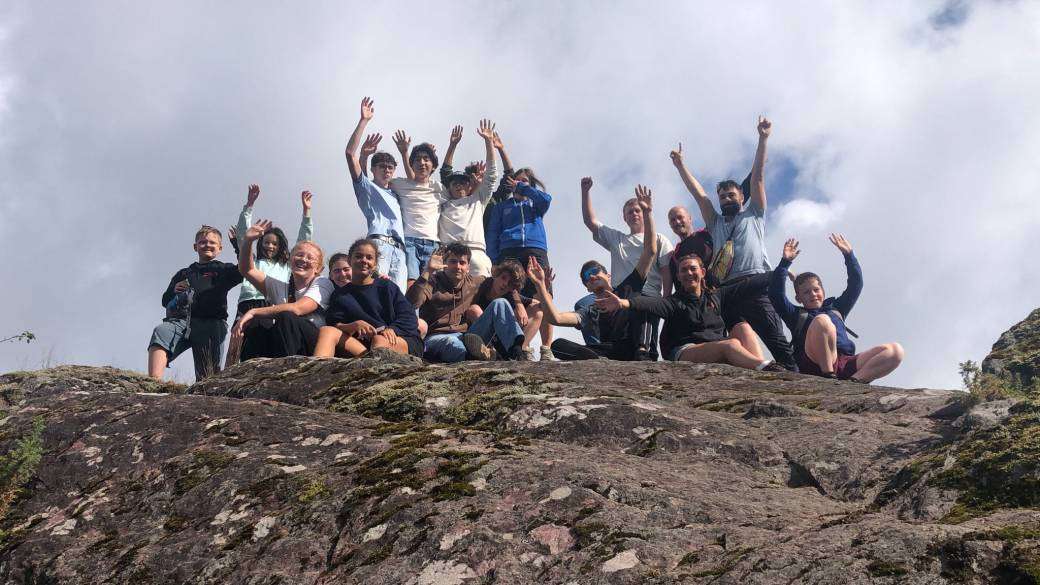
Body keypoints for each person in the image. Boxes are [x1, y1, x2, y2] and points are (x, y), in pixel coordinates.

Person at [671, 117, 797, 371]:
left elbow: (758, 178)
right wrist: (680, 166)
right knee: (739, 335)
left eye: (731, 194)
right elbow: (698, 194)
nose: (726, 198)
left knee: (776, 339)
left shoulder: (754, 214)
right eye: (722, 196)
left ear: (741, 197)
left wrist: (763, 139)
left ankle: (796, 377)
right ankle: (761, 373)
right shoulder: (715, 223)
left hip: (756, 284)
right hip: (727, 290)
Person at [528, 185, 660, 361]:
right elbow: (556, 318)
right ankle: (597, 360)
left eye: (594, 271)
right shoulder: (591, 310)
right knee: (558, 346)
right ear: (588, 289)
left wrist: (648, 213)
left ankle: (641, 355)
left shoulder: (628, 288)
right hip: (611, 351)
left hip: (636, 348)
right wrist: (540, 286)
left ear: (609, 276)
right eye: (586, 278)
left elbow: (650, 251)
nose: (590, 276)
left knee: (643, 303)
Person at [597, 253, 785, 371]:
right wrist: (623, 302)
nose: (688, 273)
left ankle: (760, 368)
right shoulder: (675, 302)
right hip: (685, 351)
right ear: (678, 276)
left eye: (693, 269)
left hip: (715, 346)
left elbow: (748, 285)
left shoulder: (716, 295)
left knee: (742, 327)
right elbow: (651, 304)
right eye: (683, 270)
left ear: (702, 271)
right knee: (731, 344)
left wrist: (783, 266)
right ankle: (766, 367)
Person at [769, 235, 904, 383]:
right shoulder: (795, 314)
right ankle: (829, 377)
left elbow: (855, 284)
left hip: (844, 361)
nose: (813, 294)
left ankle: (854, 382)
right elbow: (776, 294)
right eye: (806, 292)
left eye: (816, 289)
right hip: (814, 363)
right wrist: (785, 262)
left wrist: (848, 255)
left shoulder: (836, 308)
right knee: (822, 321)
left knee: (895, 351)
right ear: (798, 298)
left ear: (823, 291)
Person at [225, 184, 314, 367]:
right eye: (266, 242)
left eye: (275, 244)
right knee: (240, 341)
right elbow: (243, 236)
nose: (270, 247)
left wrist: (306, 213)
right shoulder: (253, 263)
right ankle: (228, 377)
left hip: (273, 304)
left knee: (270, 347)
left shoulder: (287, 266)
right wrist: (249, 205)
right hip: (248, 303)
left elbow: (304, 242)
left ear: (281, 246)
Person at [147, 226, 243, 381]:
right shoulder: (184, 273)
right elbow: (165, 301)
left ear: (220, 248)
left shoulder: (224, 269)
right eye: (202, 242)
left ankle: (206, 397)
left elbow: (245, 270)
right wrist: (174, 291)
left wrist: (239, 245)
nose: (207, 245)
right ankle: (152, 383)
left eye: (212, 242)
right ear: (195, 247)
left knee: (208, 375)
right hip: (182, 321)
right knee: (162, 331)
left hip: (211, 322)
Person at [485, 158, 556, 360]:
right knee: (515, 297)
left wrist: (525, 188)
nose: (520, 183)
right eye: (517, 180)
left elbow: (547, 199)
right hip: (509, 251)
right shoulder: (503, 206)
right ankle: (521, 346)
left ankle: (546, 347)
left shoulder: (536, 204)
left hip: (536, 249)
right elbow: (492, 232)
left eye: (525, 181)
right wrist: (494, 259)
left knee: (543, 296)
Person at [233, 220, 334, 359]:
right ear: (291, 259)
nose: (303, 259)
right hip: (288, 340)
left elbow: (297, 308)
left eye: (310, 258)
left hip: (314, 342)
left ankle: (291, 372)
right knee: (257, 325)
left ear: (319, 269)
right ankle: (253, 374)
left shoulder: (322, 283)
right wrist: (248, 241)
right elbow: (247, 270)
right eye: (299, 255)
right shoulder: (281, 286)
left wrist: (254, 311)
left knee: (286, 316)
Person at [406, 243, 525, 362]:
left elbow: (502, 282)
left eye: (462, 263)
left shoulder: (475, 282)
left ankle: (516, 352)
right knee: (454, 345)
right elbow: (411, 303)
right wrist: (428, 270)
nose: (457, 266)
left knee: (500, 303)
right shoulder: (432, 282)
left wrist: (518, 303)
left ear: (468, 267)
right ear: (444, 264)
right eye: (453, 261)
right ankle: (477, 357)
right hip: (437, 337)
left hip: (467, 337)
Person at [314, 239, 422, 358]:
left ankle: (378, 374)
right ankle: (317, 373)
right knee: (326, 331)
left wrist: (393, 329)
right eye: (358, 256)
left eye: (369, 258)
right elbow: (334, 323)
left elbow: (409, 317)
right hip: (363, 347)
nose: (364, 261)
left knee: (379, 340)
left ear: (375, 264)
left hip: (398, 339)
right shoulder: (340, 295)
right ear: (350, 260)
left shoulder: (387, 287)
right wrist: (353, 325)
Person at [345, 97, 408, 291]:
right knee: (376, 292)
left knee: (398, 298)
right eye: (382, 166)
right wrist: (363, 121)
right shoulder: (368, 189)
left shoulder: (396, 194)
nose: (387, 170)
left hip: (400, 250)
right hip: (378, 245)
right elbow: (349, 154)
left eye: (390, 167)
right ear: (373, 169)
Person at [438, 120, 500, 277]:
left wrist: (488, 142)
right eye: (455, 183)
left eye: (463, 183)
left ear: (470, 186)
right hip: (448, 255)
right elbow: (444, 172)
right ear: (448, 187)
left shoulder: (478, 200)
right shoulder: (441, 203)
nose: (459, 186)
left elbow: (491, 175)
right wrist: (452, 145)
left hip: (476, 254)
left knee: (482, 298)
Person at [391, 131, 445, 288]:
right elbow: (377, 183)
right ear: (411, 164)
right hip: (409, 242)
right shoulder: (400, 184)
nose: (422, 163)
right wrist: (404, 152)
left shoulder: (439, 188)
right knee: (412, 282)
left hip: (434, 244)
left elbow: (461, 195)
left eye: (426, 159)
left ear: (433, 165)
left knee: (432, 285)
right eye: (417, 160)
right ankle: (411, 313)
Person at [469, 259, 543, 360]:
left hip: (502, 342)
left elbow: (538, 306)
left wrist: (540, 285)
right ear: (496, 275)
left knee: (537, 310)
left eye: (510, 283)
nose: (504, 284)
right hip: (475, 338)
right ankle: (490, 352)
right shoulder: (481, 284)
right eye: (503, 278)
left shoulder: (510, 294)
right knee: (475, 309)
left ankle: (518, 351)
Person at [662, 205, 712, 296]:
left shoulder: (708, 235)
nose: (677, 222)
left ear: (689, 218)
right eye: (672, 220)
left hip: (719, 295)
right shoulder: (674, 257)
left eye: (680, 217)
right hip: (693, 304)